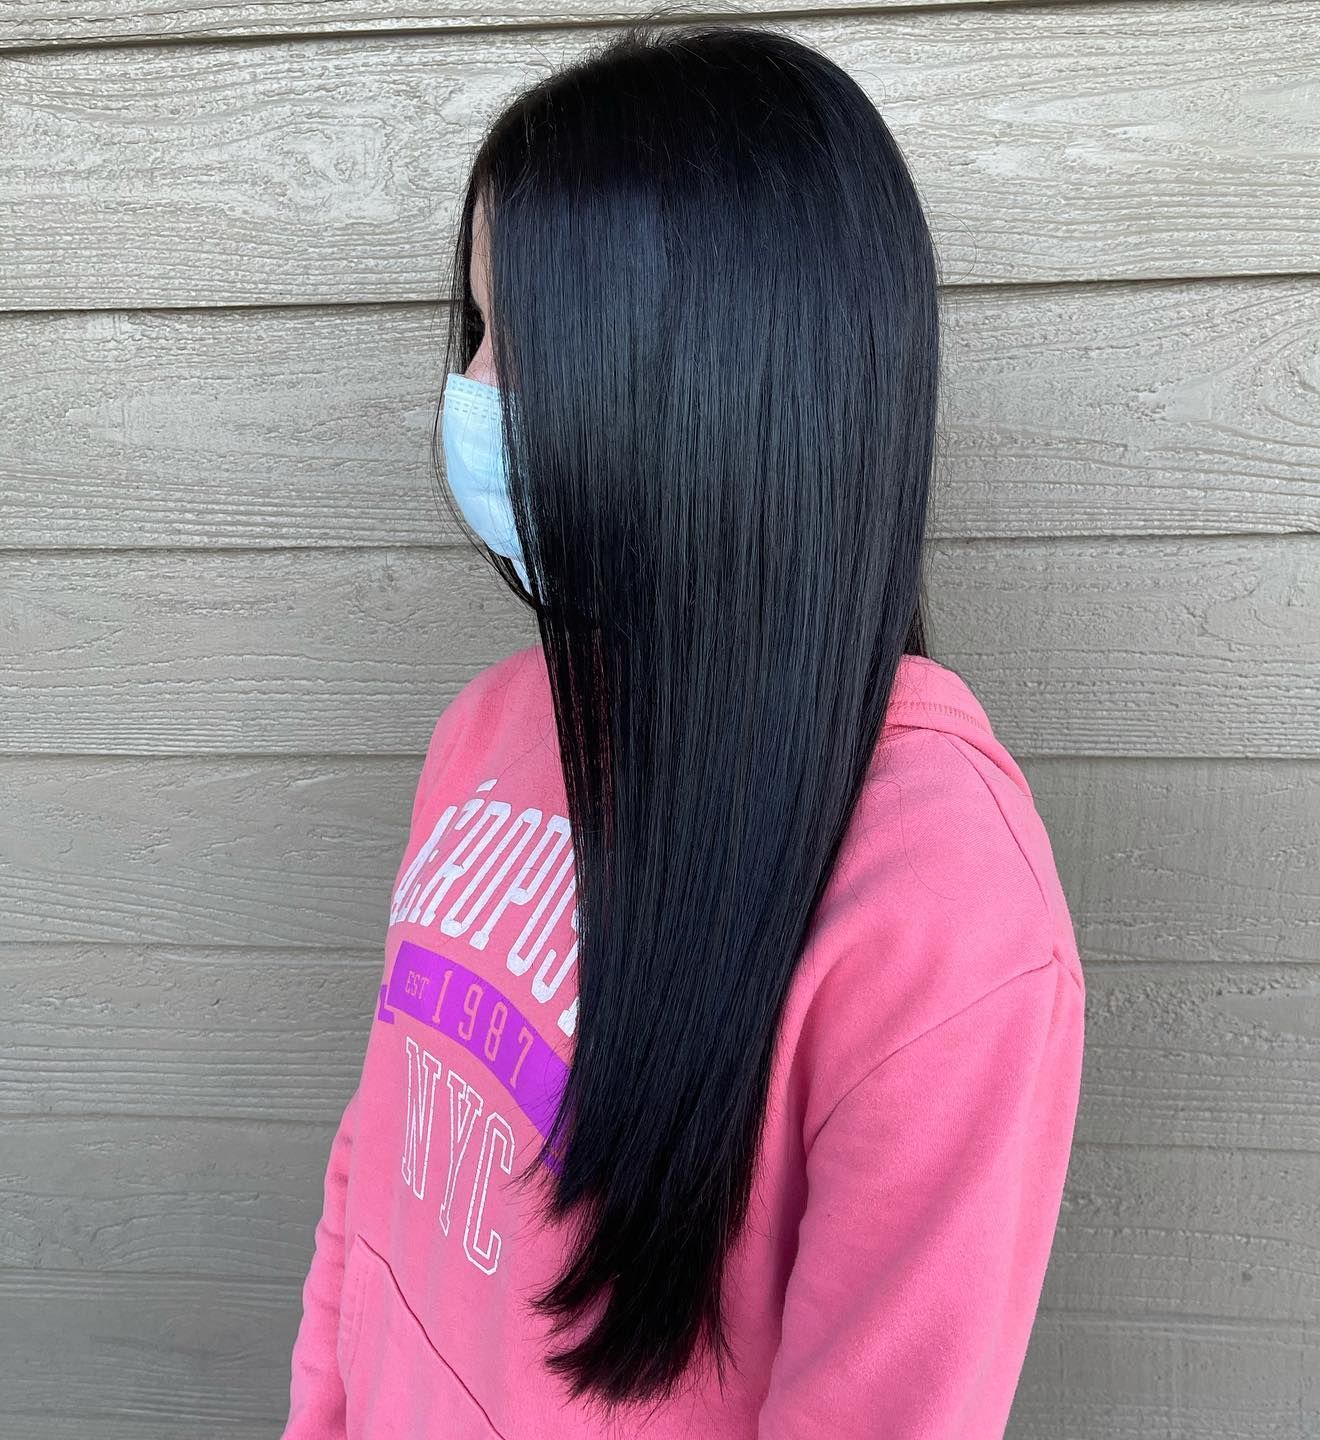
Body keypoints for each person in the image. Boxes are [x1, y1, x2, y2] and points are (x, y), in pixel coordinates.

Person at [281, 19, 1085, 1440]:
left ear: (709, 379)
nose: (463, 399)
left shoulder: (941, 911)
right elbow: (376, 1168)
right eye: (470, 333)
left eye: (519, 347)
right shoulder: (489, 728)